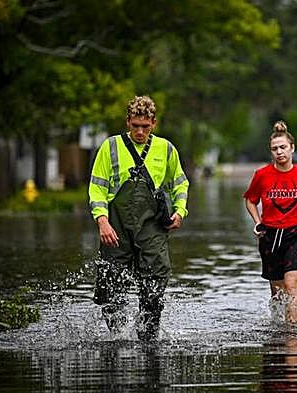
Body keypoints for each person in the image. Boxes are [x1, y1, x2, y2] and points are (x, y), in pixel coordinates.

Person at [88, 95, 189, 340]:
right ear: (127, 122)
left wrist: (180, 211)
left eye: (145, 126)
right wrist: (102, 221)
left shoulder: (166, 149)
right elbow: (97, 187)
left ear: (154, 123)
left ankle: (148, 336)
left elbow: (180, 183)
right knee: (110, 286)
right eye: (135, 126)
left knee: (154, 283)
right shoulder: (110, 147)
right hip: (116, 227)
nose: (140, 131)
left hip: (152, 227)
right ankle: (118, 337)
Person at [244, 121, 297, 324]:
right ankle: (278, 329)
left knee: (291, 285)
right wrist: (257, 222)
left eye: (283, 147)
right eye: (275, 149)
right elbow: (250, 200)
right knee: (277, 292)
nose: (279, 152)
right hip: (270, 235)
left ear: (292, 148)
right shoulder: (262, 175)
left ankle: (292, 335)